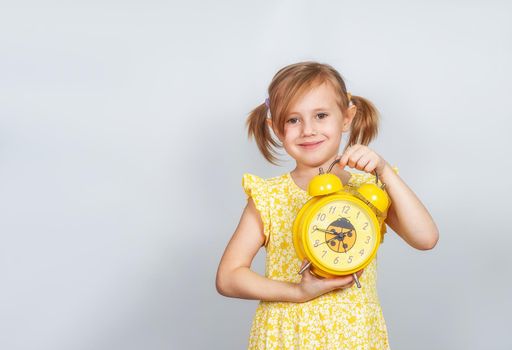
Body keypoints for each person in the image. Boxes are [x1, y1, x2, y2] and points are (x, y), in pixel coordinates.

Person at [215, 61, 439, 349]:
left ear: (346, 118)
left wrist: (383, 171)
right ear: (276, 128)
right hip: (287, 338)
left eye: (320, 115)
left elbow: (426, 238)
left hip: (354, 337)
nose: (308, 130)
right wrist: (298, 292)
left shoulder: (367, 190)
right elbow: (228, 277)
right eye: (293, 120)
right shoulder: (269, 196)